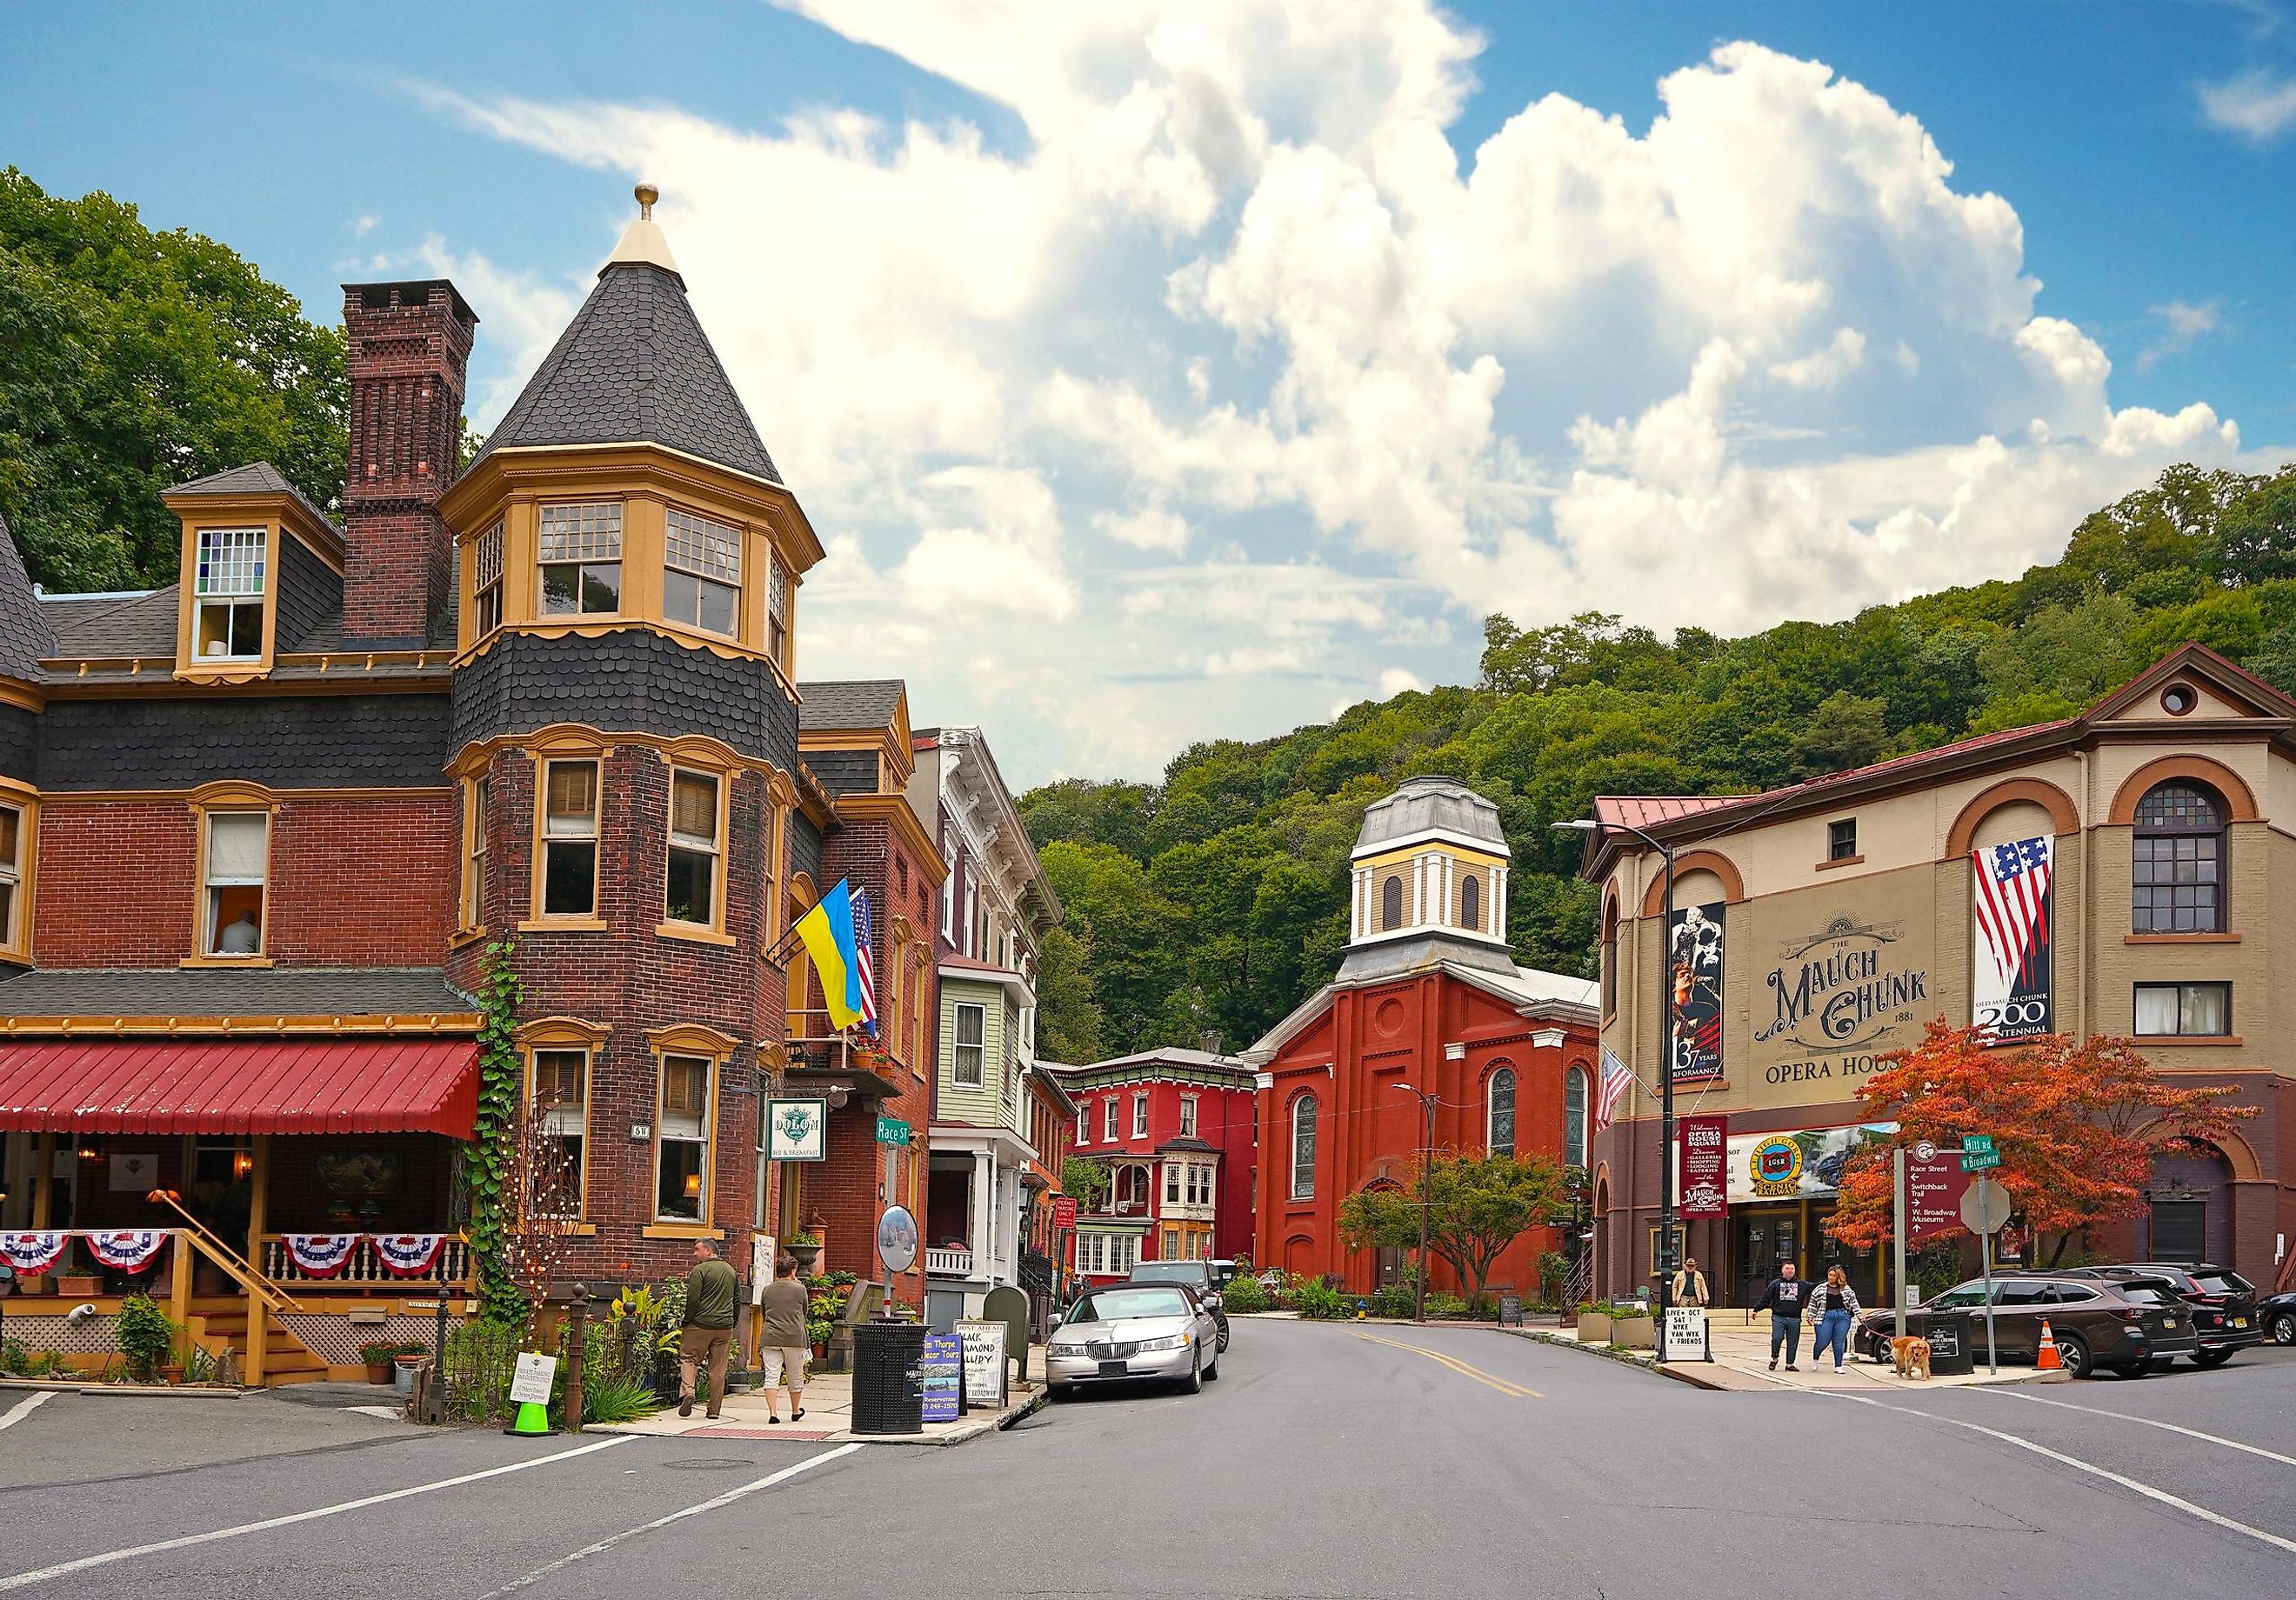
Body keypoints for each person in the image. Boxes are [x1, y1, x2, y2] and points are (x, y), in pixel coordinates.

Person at [677, 1237, 739, 1420]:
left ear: (709, 1251)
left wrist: (687, 1320)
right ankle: (713, 1410)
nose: (694, 1254)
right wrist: (733, 1321)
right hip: (724, 1326)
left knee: (689, 1359)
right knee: (718, 1369)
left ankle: (688, 1392)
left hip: (699, 1324)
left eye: (697, 1250)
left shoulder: (699, 1270)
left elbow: (693, 1299)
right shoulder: (730, 1270)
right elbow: (737, 1299)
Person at [756, 1251, 811, 1424]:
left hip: (771, 1336)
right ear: (793, 1271)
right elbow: (805, 1311)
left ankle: (773, 1413)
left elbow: (764, 1312)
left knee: (771, 1376)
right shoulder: (800, 1289)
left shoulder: (767, 1289)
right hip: (794, 1338)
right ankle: (795, 1411)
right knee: (795, 1375)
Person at [1748, 1260, 1805, 1370]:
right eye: (1787, 1268)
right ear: (1782, 1270)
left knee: (1793, 1342)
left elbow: (1815, 1287)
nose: (1790, 1271)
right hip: (1779, 1317)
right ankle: (1774, 1358)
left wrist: (1831, 1282)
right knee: (1776, 1338)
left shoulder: (1801, 1284)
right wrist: (1757, 1309)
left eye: (1792, 1269)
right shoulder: (1776, 1284)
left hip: (1795, 1318)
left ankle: (1790, 1364)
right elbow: (1766, 1298)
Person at [1807, 1265, 1863, 1372]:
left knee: (1839, 1341)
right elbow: (1812, 1303)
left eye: (1834, 1275)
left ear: (1839, 1277)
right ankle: (1815, 1358)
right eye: (1830, 1275)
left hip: (1842, 1316)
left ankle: (1838, 1365)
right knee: (1823, 1340)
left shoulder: (1846, 1289)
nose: (1831, 1277)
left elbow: (1853, 1302)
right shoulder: (1820, 1288)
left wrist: (1859, 1314)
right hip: (1825, 1316)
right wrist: (1810, 1316)